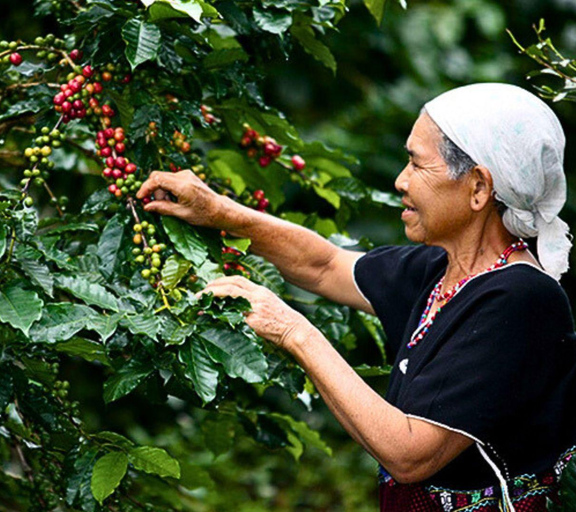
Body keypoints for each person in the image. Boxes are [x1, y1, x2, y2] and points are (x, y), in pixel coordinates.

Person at [136, 83, 576, 511]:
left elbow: (410, 454)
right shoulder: (441, 270)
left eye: (417, 165)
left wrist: (292, 330)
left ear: (478, 188)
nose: (401, 181)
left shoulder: (521, 300)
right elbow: (324, 265)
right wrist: (219, 212)